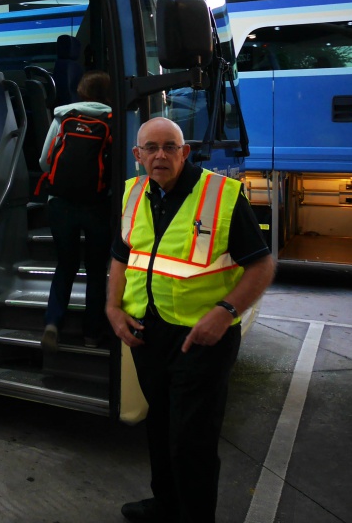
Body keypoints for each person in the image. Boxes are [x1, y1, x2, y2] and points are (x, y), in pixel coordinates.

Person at [106, 117, 275, 523]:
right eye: (151, 147)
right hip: (148, 333)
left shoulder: (221, 196)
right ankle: (166, 505)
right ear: (138, 155)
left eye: (170, 147)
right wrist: (113, 309)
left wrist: (227, 311)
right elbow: (120, 256)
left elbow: (262, 266)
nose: (160, 155)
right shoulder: (134, 193)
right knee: (161, 427)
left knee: (192, 440)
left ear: (185, 152)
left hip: (203, 339)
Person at [39, 70, 113, 352]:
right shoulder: (113, 119)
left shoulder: (63, 116)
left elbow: (44, 161)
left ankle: (53, 323)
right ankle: (92, 335)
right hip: (97, 205)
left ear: (82, 90)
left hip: (60, 204)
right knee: (95, 271)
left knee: (65, 265)